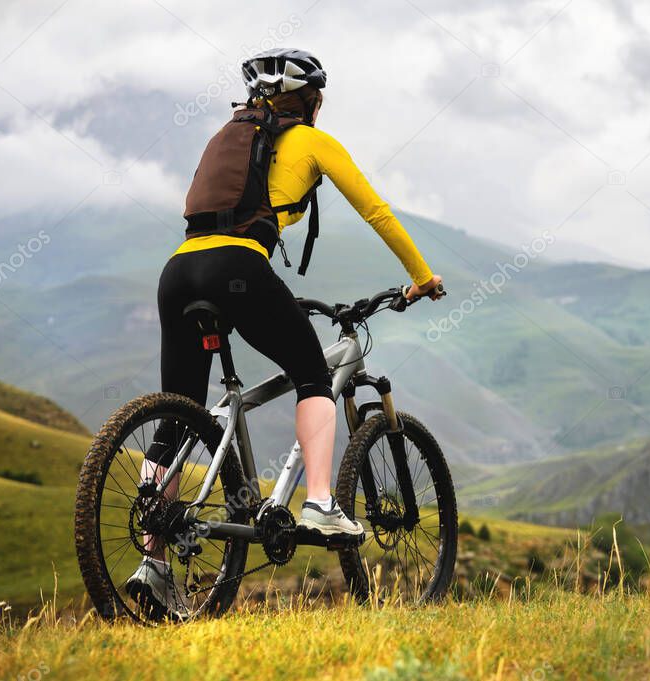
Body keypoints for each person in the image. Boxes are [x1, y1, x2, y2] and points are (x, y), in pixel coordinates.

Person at [125, 48, 443, 616]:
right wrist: (421, 277)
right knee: (312, 373)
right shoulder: (312, 142)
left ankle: (151, 560)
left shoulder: (231, 138)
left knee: (178, 414)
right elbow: (377, 212)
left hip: (178, 272)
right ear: (312, 101)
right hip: (239, 269)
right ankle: (319, 502)